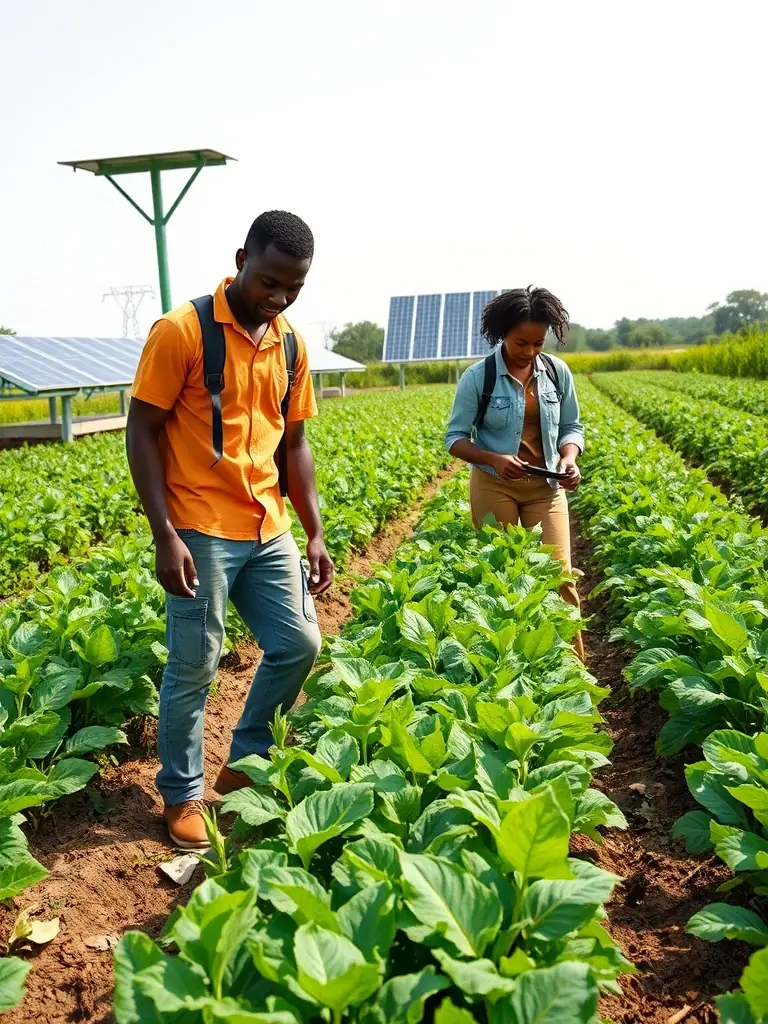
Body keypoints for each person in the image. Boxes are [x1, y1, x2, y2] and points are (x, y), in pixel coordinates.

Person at [126, 210, 333, 850]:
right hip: (199, 527)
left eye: (292, 288)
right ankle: (182, 794)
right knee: (196, 662)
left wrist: (315, 531)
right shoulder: (180, 331)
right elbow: (143, 431)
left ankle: (243, 760)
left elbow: (293, 443)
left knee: (300, 643)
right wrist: (164, 533)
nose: (278, 298)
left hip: (266, 523)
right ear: (241, 256)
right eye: (269, 282)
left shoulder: (289, 343)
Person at [445, 286, 585, 661]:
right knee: (502, 580)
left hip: (546, 488)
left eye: (538, 343)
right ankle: (509, 665)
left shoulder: (557, 372)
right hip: (495, 486)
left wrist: (569, 458)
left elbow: (573, 426)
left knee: (561, 579)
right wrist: (493, 458)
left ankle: (572, 672)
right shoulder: (479, 377)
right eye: (521, 342)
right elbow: (455, 439)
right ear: (503, 332)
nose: (530, 351)